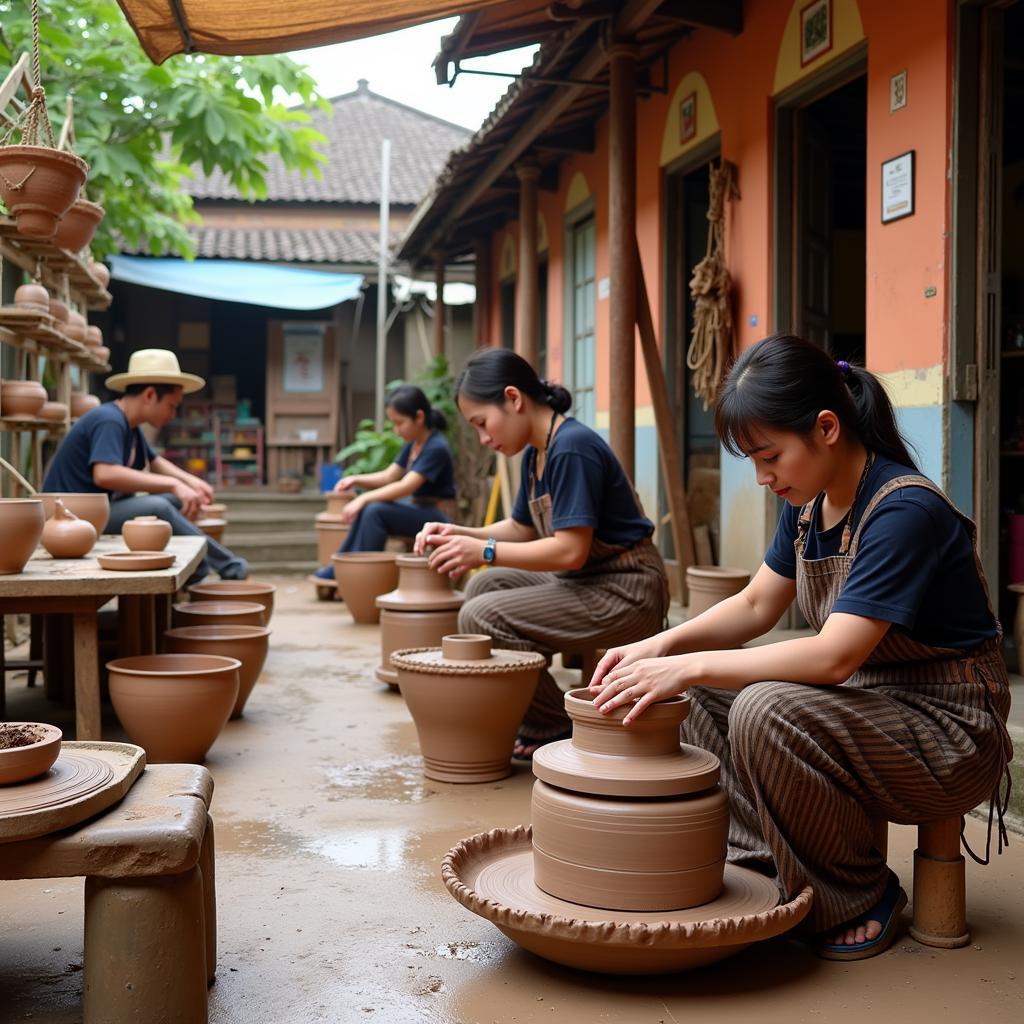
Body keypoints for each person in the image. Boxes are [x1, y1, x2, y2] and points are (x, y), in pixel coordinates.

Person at [588, 333, 1013, 961]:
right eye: (753, 461)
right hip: (871, 708)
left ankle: (860, 895)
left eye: (770, 457)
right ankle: (764, 860)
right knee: (701, 692)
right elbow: (757, 605)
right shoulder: (809, 505)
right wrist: (657, 647)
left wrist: (688, 664)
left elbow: (833, 656)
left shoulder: (904, 512)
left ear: (826, 427)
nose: (763, 478)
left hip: (950, 730)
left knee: (762, 706)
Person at [415, 348, 669, 759]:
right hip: (585, 581)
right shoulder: (538, 451)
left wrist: (482, 549)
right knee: (483, 585)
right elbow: (520, 528)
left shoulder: (572, 447)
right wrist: (460, 532)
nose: (483, 438)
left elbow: (570, 550)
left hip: (627, 589)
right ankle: (529, 706)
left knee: (482, 615)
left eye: (482, 423)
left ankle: (553, 722)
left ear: (513, 399)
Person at [42, 348, 248, 582]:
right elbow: (105, 473)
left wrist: (192, 482)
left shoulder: (130, 426)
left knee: (177, 500)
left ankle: (197, 568)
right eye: (172, 405)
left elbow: (155, 462)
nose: (173, 414)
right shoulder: (109, 420)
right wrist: (173, 484)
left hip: (99, 511)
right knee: (158, 507)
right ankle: (229, 566)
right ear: (150, 395)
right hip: (73, 520)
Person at [312, 385, 456, 579]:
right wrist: (356, 480)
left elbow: (406, 486)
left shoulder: (435, 447)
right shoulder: (414, 444)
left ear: (419, 417)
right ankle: (342, 563)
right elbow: (389, 476)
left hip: (437, 517)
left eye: (400, 423)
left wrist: (364, 499)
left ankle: (361, 574)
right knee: (369, 507)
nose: (396, 430)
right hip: (420, 511)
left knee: (375, 510)